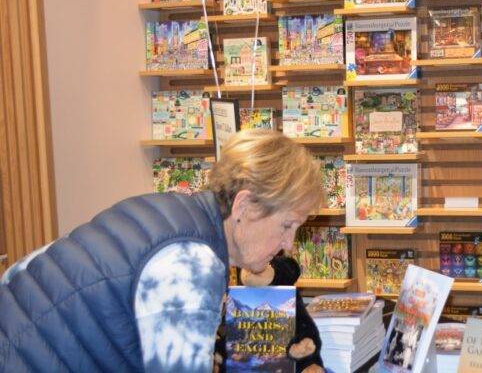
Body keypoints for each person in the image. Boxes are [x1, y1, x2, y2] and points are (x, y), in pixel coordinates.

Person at [0, 129, 325, 372]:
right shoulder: (190, 264)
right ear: (245, 205)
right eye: (287, 225)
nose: (288, 244)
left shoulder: (172, 213)